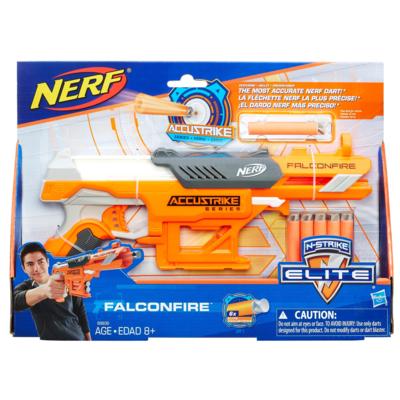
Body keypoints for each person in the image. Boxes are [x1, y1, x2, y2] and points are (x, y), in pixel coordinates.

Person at [14, 242, 91, 340]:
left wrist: (89, 341)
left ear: (48, 262)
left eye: (41, 262)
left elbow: (80, 313)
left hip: (78, 339)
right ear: (24, 268)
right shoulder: (27, 286)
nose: (36, 268)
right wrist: (45, 290)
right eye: (30, 264)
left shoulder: (66, 280)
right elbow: (14, 301)